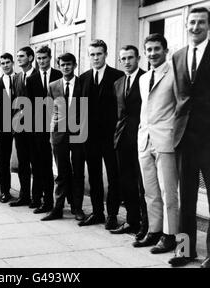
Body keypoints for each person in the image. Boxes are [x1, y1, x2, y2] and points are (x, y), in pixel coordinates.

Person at [169, 7, 210, 268]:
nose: (195, 27)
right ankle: (184, 251)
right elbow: (179, 98)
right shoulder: (178, 56)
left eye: (201, 22)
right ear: (186, 25)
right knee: (186, 199)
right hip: (185, 138)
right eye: (191, 22)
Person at [133, 33, 179, 254]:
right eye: (149, 50)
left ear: (165, 50)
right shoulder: (143, 78)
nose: (152, 53)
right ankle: (154, 230)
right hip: (145, 140)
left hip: (165, 140)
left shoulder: (175, 74)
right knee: (150, 191)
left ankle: (170, 236)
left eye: (157, 49)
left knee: (168, 191)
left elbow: (181, 108)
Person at [78, 39, 123, 229]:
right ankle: (97, 213)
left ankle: (112, 214)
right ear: (88, 56)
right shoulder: (83, 78)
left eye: (99, 54)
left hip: (111, 137)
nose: (95, 57)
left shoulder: (118, 76)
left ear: (106, 54)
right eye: (92, 54)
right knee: (94, 175)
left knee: (114, 176)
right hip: (90, 137)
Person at [110, 45, 148, 241]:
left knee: (144, 185)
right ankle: (132, 221)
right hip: (122, 139)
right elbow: (117, 113)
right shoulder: (118, 83)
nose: (127, 62)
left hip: (141, 138)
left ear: (138, 58)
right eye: (123, 58)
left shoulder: (146, 79)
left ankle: (146, 225)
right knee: (127, 183)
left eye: (130, 58)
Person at [41, 53, 85, 222]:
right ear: (59, 66)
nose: (66, 67)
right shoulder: (53, 86)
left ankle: (77, 208)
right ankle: (57, 208)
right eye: (63, 65)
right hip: (59, 135)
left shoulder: (82, 83)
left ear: (74, 65)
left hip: (79, 133)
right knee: (61, 172)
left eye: (69, 64)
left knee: (78, 171)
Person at [26, 45, 62, 214]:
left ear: (50, 58)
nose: (41, 61)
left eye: (44, 58)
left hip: (57, 126)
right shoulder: (31, 79)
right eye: (39, 58)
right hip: (38, 130)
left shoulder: (58, 75)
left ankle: (64, 201)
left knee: (61, 166)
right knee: (42, 165)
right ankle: (46, 201)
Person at [9, 47, 37, 208]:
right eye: (17, 56)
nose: (18, 59)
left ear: (31, 58)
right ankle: (24, 195)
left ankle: (36, 197)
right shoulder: (17, 77)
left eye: (22, 56)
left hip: (35, 127)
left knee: (36, 163)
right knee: (23, 164)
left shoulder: (38, 76)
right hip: (19, 128)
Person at [0, 53, 15, 203]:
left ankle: (27, 194)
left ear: (12, 63)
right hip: (2, 127)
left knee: (25, 161)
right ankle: (5, 191)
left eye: (8, 62)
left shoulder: (20, 78)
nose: (5, 65)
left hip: (21, 125)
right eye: (3, 63)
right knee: (3, 161)